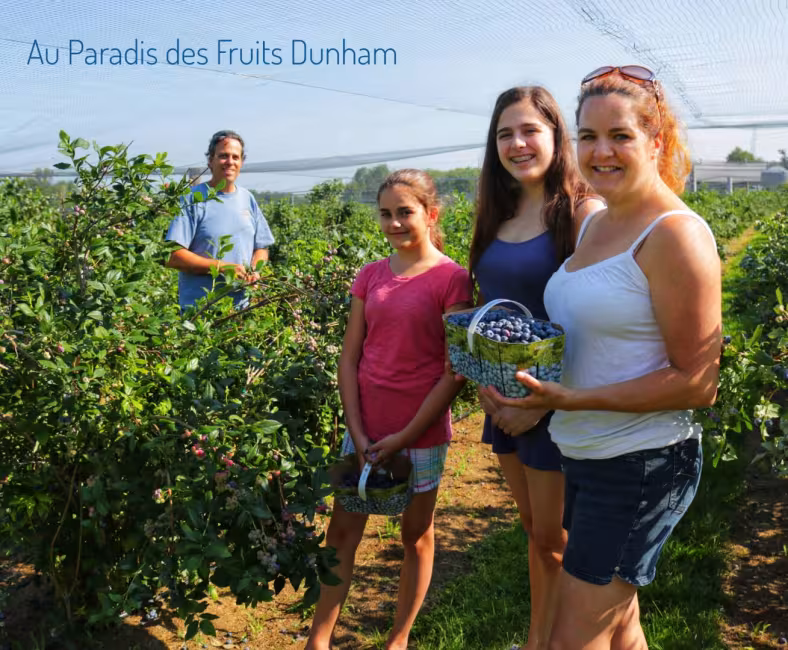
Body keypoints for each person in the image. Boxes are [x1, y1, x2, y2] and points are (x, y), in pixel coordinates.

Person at [483, 66, 721, 649]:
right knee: (621, 631)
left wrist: (570, 399)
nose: (601, 150)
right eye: (587, 137)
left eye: (620, 136)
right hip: (587, 457)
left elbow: (697, 382)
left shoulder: (675, 235)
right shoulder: (600, 226)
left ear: (656, 141)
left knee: (574, 637)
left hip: (639, 464)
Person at [305, 169, 472, 650]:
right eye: (386, 213)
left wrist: (405, 436)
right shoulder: (371, 275)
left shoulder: (452, 279)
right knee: (341, 533)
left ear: (430, 214)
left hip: (419, 434)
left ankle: (398, 639)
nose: (395, 223)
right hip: (364, 426)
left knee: (415, 534)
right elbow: (350, 357)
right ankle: (318, 639)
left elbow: (453, 371)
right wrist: (356, 433)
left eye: (405, 212)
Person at [468, 86, 603, 650]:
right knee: (537, 534)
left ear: (556, 137)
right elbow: (487, 307)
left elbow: (599, 321)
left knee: (557, 540)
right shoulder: (496, 213)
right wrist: (484, 386)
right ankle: (543, 637)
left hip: (555, 404)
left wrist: (546, 399)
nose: (517, 143)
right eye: (505, 133)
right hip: (505, 402)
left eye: (530, 131)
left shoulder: (581, 213)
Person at [165, 130, 274, 310]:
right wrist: (222, 267)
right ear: (210, 160)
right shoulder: (193, 199)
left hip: (241, 310)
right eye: (223, 156)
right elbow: (173, 256)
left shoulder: (247, 199)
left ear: (242, 162)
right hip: (201, 315)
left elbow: (261, 247)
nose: (230, 162)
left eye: (235, 157)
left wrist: (254, 271)